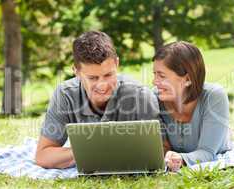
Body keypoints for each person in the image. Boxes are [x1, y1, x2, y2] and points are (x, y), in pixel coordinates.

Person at [35, 31, 160, 169]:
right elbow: (43, 155)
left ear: (117, 64)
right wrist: (92, 151)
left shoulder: (141, 96)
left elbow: (158, 154)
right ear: (76, 71)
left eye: (108, 75)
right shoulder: (65, 95)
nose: (102, 85)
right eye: (93, 78)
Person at [152, 41, 230, 171]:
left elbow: (208, 152)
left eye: (161, 76)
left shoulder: (214, 97)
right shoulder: (154, 98)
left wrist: (180, 159)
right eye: (154, 74)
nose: (154, 81)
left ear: (187, 79)